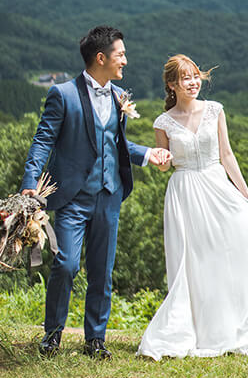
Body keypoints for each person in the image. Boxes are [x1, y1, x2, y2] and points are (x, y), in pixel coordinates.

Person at [21, 25, 171, 359]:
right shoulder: (63, 94)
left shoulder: (119, 98)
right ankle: (53, 334)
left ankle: (95, 339)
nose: (125, 61)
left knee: (102, 270)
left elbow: (115, 144)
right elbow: (43, 140)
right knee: (66, 264)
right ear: (101, 58)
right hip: (72, 198)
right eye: (121, 55)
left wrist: (149, 154)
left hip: (109, 195)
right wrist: (31, 183)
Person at [137, 54, 248, 359]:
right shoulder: (162, 122)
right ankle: (190, 331)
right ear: (171, 85)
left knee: (221, 255)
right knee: (191, 262)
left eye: (195, 76)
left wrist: (244, 192)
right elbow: (165, 165)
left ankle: (225, 328)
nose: (193, 83)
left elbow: (227, 155)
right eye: (185, 78)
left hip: (217, 187)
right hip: (184, 193)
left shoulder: (215, 110)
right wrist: (161, 160)